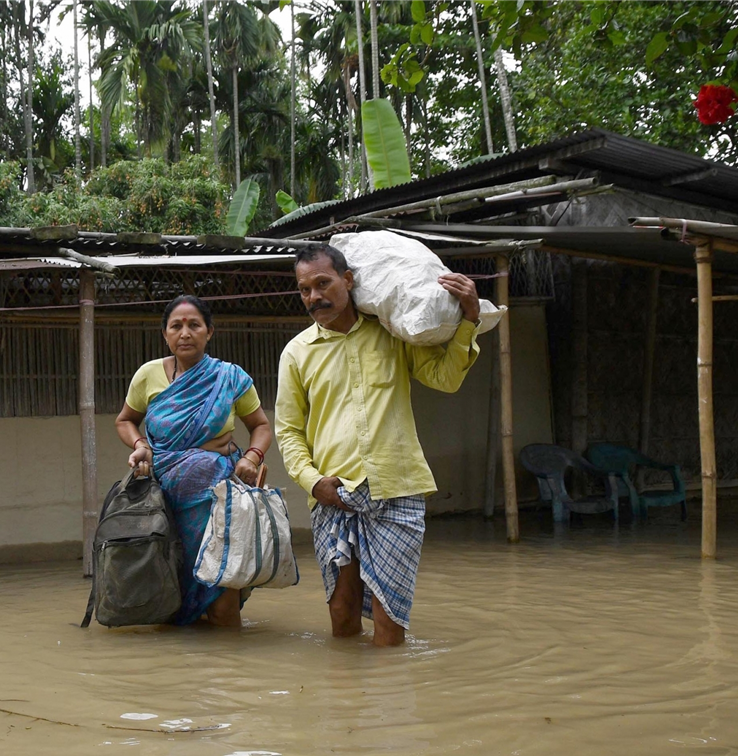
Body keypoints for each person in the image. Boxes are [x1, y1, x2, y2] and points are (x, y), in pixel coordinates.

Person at [275, 243, 481, 647]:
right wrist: (312, 482)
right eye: (305, 289)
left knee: (390, 622)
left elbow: (446, 378)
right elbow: (288, 431)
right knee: (342, 614)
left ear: (348, 280)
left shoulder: (393, 333)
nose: (314, 296)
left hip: (397, 488)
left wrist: (468, 322)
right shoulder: (297, 353)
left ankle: (389, 703)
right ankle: (349, 703)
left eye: (323, 283)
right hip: (332, 495)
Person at [115, 295, 272, 627]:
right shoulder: (148, 376)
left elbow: (260, 425)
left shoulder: (230, 378)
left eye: (194, 325)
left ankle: (229, 672)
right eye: (176, 326)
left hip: (217, 504)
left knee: (221, 598)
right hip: (164, 505)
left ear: (209, 332)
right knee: (168, 591)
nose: (185, 333)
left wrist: (252, 457)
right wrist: (141, 445)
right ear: (165, 334)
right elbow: (125, 420)